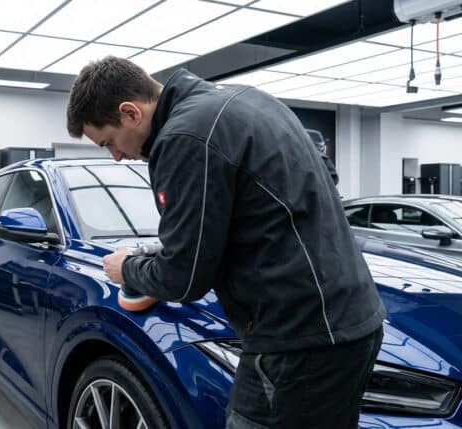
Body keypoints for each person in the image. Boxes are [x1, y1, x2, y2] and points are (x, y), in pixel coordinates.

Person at [66, 56, 385, 429]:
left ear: (131, 113)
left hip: (300, 341)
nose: (116, 155)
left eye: (108, 142)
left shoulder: (184, 139)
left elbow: (183, 280)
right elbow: (298, 193)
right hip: (343, 321)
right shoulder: (249, 99)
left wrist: (127, 269)